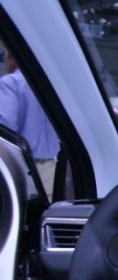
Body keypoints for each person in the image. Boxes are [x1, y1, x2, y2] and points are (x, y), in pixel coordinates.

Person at [0, 47, 59, 198]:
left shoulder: (10, 83)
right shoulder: (51, 85)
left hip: (21, 167)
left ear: (11, 57)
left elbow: (5, 126)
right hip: (52, 166)